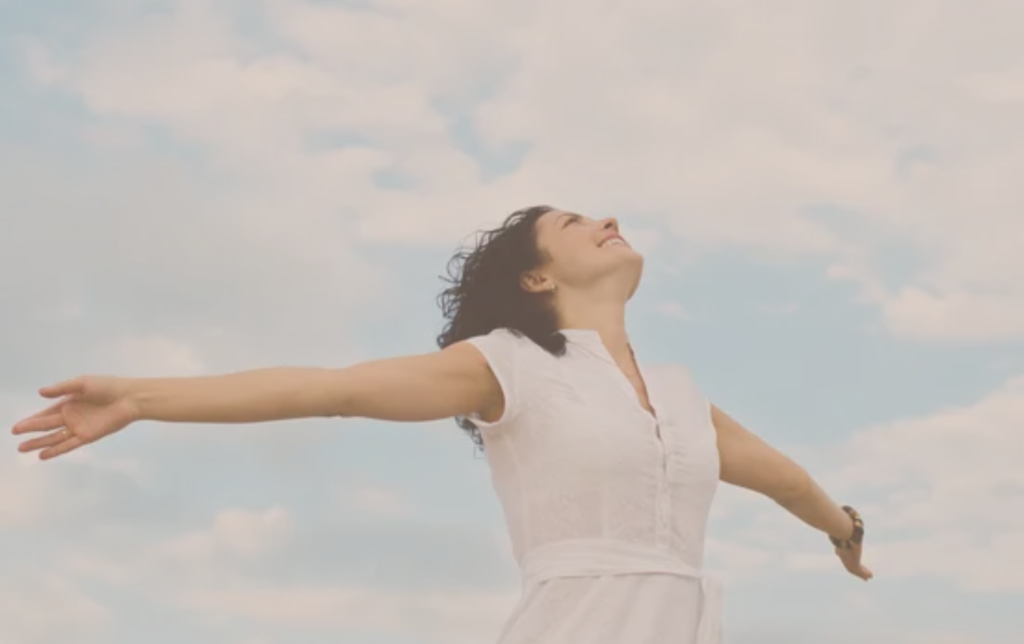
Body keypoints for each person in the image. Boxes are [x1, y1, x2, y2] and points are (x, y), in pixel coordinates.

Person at [11, 205, 871, 644]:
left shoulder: (680, 395)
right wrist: (141, 397)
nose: (608, 218)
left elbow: (785, 477)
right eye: (575, 223)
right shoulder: (507, 363)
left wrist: (843, 530)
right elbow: (330, 388)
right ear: (537, 280)